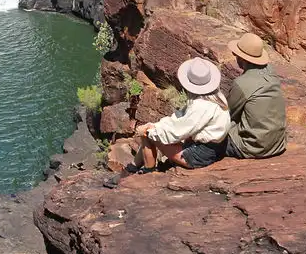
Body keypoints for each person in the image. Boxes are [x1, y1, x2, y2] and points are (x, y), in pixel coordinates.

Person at [105, 57, 230, 187]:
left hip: (199, 156)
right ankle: (132, 169)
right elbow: (179, 118)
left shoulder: (201, 106)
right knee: (152, 131)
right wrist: (155, 126)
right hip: (214, 148)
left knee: (148, 135)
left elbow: (176, 132)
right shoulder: (216, 97)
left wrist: (149, 131)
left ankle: (148, 174)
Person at [226, 32, 287, 159]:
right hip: (278, 144)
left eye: (236, 54)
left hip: (252, 147)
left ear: (242, 58)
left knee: (212, 131)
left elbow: (228, 114)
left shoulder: (242, 83)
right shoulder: (272, 75)